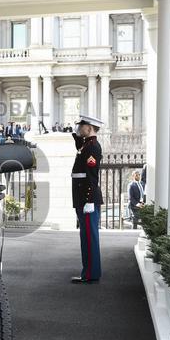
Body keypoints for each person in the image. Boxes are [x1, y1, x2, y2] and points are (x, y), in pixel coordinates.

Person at [71, 115, 104, 284]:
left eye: (81, 126)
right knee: (86, 236)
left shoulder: (92, 147)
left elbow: (92, 176)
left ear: (89, 127)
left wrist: (89, 200)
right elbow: (79, 146)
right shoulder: (86, 145)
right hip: (83, 197)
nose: (79, 128)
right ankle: (89, 272)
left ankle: (91, 274)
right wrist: (75, 135)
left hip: (87, 198)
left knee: (90, 238)